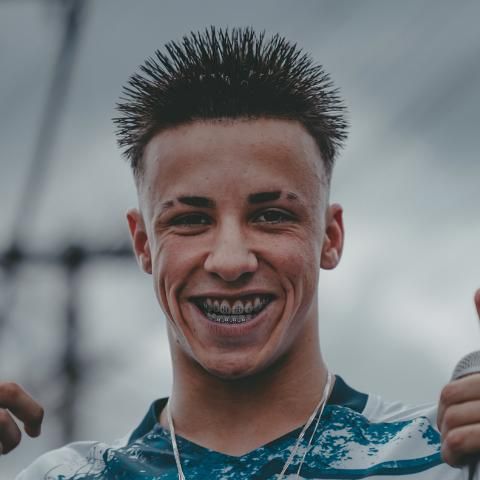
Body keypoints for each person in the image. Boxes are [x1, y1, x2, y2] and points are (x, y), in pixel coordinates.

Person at [2, 26, 480, 479]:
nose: (230, 262)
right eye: (191, 220)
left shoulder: (448, 457)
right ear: (144, 244)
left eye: (271, 216)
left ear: (330, 238)